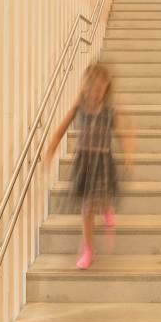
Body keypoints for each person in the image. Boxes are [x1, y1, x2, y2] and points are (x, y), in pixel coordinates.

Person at [45, 62, 134, 269]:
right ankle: (88, 249)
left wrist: (129, 153)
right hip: (84, 163)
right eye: (93, 89)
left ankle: (107, 208)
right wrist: (51, 149)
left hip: (102, 161)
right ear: (86, 87)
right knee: (87, 206)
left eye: (101, 90)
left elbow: (123, 134)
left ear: (106, 89)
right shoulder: (79, 108)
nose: (96, 94)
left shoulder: (110, 112)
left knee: (102, 195)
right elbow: (60, 130)